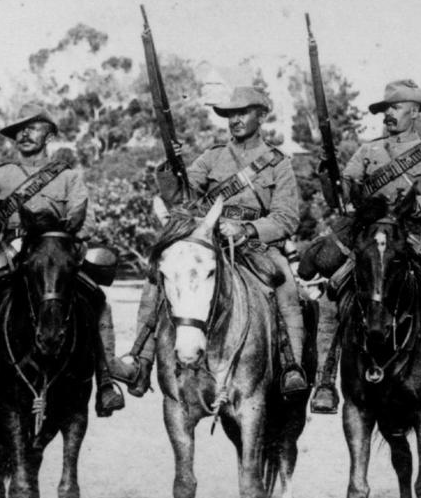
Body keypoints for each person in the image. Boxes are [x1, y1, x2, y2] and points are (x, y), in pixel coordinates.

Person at [309, 79, 421, 414]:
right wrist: (330, 176)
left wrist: (404, 208)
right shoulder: (368, 151)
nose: (388, 115)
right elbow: (343, 194)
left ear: (414, 111)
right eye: (385, 109)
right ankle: (324, 380)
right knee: (331, 296)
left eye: (394, 108)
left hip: (416, 236)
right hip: (373, 238)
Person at [119, 87, 309, 398]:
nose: (235, 120)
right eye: (230, 114)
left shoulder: (278, 163)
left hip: (255, 244)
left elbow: (286, 218)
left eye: (242, 112)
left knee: (285, 284)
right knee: (156, 279)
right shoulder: (213, 156)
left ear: (261, 116)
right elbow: (181, 198)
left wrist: (246, 230)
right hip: (208, 239)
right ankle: (140, 360)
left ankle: (292, 366)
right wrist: (172, 166)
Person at [0, 103, 127, 417]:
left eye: (33, 127)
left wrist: (55, 233)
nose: (24, 134)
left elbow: (86, 222)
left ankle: (105, 382)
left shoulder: (69, 176)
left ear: (49, 134)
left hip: (54, 248)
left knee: (97, 299)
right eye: (18, 130)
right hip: (12, 248)